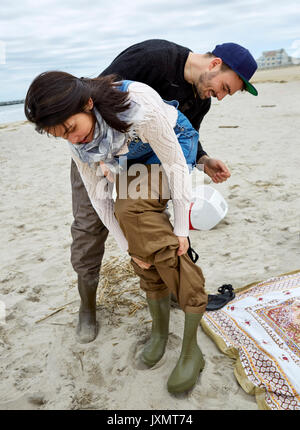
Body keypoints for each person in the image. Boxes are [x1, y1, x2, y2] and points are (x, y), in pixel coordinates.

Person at [68, 40, 258, 345]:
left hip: (142, 160)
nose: (220, 97)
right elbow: (92, 100)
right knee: (90, 225)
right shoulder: (153, 58)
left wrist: (204, 159)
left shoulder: (201, 101)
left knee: (154, 221)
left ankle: (171, 289)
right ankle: (87, 305)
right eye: (224, 87)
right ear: (214, 64)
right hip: (96, 153)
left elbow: (181, 137)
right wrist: (103, 162)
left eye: (226, 94)